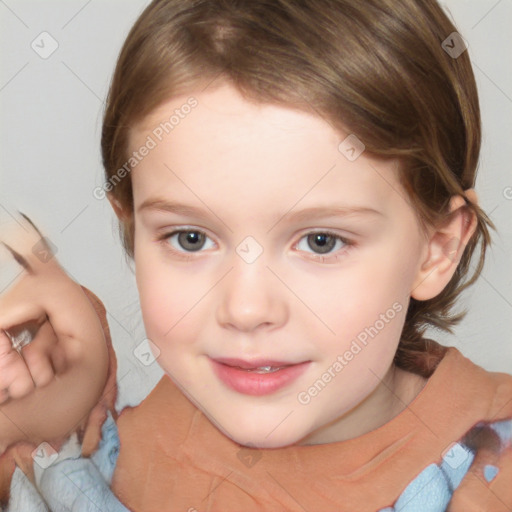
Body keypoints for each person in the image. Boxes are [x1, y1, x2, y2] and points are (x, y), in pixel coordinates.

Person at [2, 0, 512, 510]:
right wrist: (41, 418)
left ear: (436, 249)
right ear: (132, 226)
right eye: (191, 238)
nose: (246, 309)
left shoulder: (492, 469)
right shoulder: (109, 448)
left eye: (321, 242)